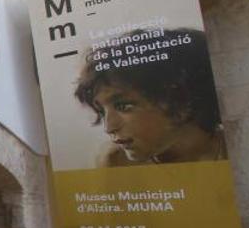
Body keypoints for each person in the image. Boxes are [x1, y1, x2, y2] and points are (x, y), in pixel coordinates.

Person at [74, 27, 227, 167]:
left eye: (123, 106)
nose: (109, 128)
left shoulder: (233, 144)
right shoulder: (116, 162)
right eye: (101, 111)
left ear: (180, 101)